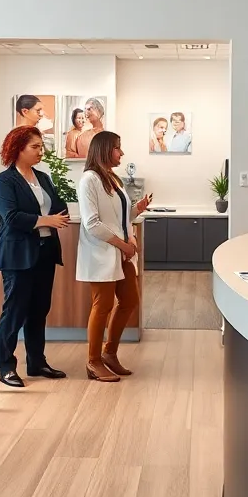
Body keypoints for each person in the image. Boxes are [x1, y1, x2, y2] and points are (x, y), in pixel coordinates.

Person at [0, 126, 71, 387]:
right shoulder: (4, 181)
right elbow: (11, 217)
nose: (41, 151)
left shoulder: (43, 177)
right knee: (14, 312)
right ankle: (6, 366)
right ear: (18, 148)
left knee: (39, 311)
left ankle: (36, 362)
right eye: (35, 147)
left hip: (46, 252)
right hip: (18, 255)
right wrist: (44, 220)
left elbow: (60, 206)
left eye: (41, 146)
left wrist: (53, 217)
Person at [77, 130, 152, 382]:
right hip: (103, 252)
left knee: (130, 301)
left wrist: (135, 210)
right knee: (103, 306)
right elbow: (92, 223)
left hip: (120, 252)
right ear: (104, 150)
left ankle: (109, 354)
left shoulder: (113, 179)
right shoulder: (89, 179)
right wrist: (122, 244)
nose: (122, 153)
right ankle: (93, 361)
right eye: (118, 148)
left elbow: (120, 218)